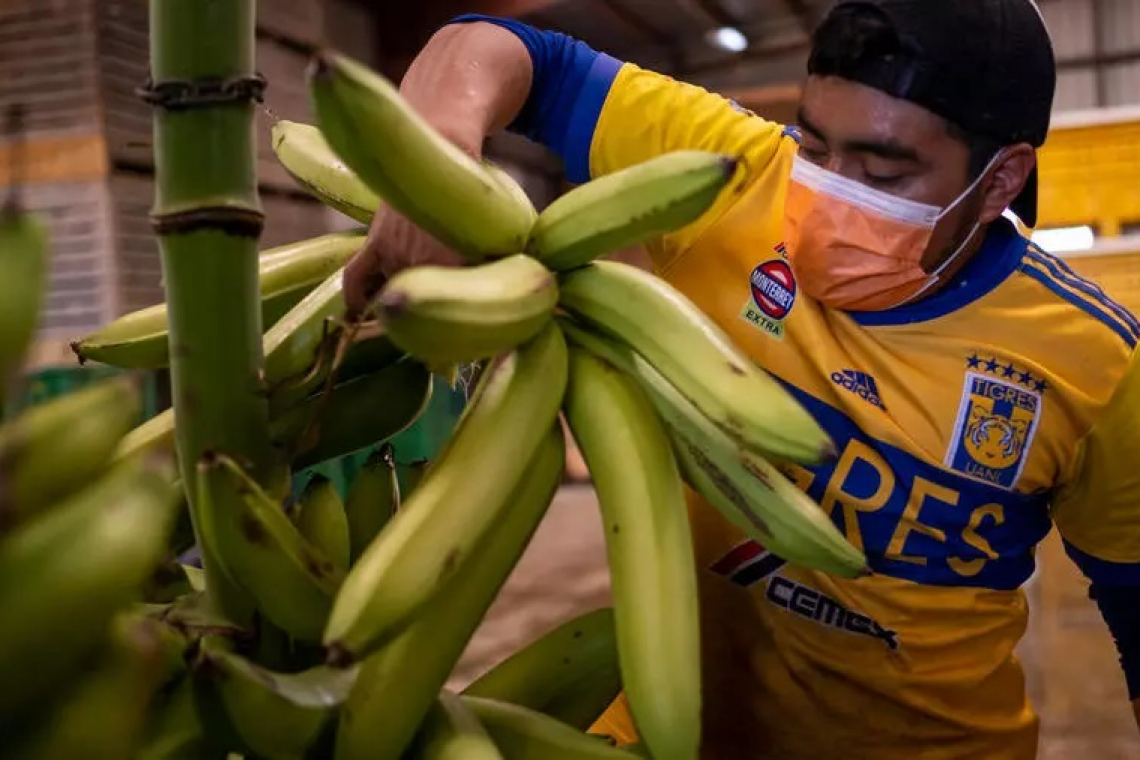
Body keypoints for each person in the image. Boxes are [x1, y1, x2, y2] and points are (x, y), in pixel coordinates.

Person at [343, 1, 1140, 757]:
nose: (825, 194)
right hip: (667, 727)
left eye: (884, 173)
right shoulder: (733, 172)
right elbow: (504, 49)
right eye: (816, 146)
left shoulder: (1095, 360)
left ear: (1000, 180)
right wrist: (438, 150)